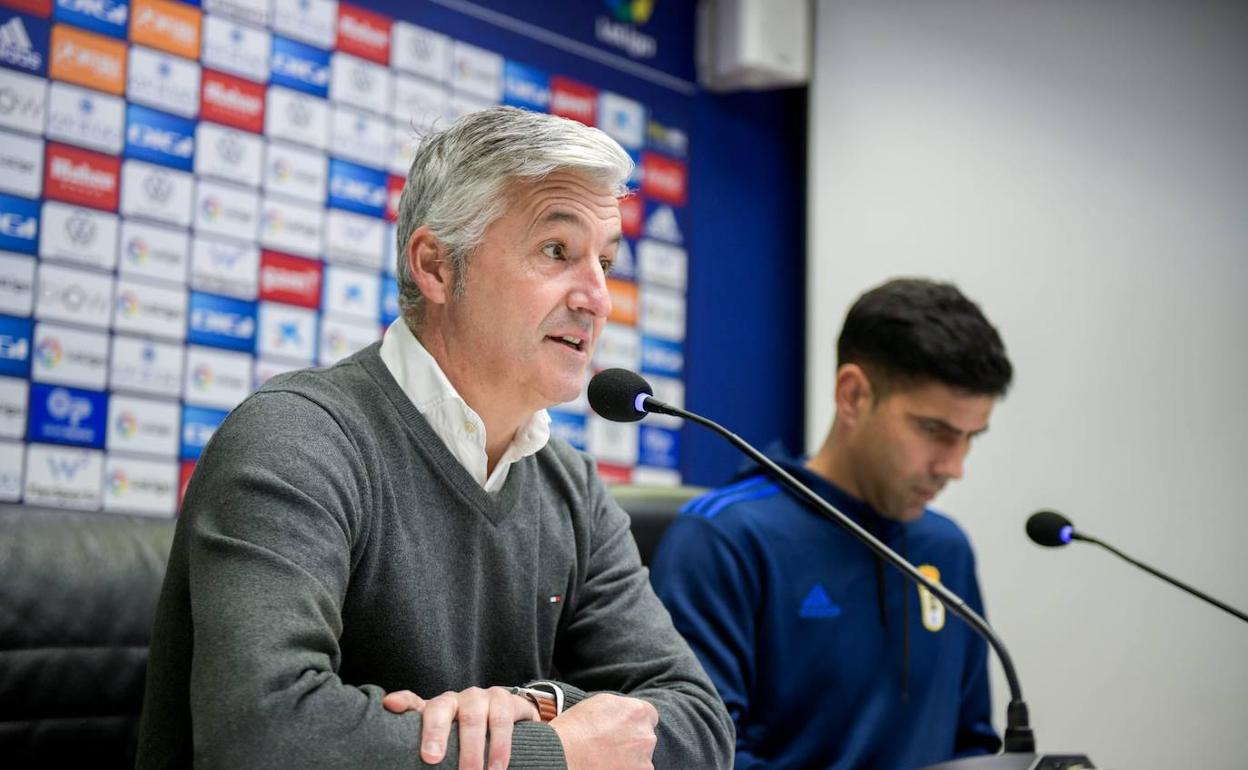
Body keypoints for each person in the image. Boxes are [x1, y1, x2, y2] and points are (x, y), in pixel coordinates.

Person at [136, 106, 733, 770]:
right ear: (436, 267)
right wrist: (553, 752)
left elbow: (700, 726)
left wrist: (540, 707)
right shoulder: (295, 440)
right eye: (557, 251)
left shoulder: (572, 488)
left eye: (607, 262)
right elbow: (262, 732)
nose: (597, 297)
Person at [650, 278, 1012, 769]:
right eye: (935, 431)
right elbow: (699, 754)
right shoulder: (724, 538)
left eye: (971, 437)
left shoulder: (947, 548)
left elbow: (972, 745)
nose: (954, 466)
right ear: (853, 396)